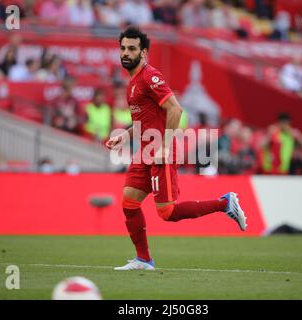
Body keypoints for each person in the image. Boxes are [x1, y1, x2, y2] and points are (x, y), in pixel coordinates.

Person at [105, 27, 247, 271]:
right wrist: (124, 136)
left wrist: (163, 145)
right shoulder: (132, 84)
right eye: (123, 48)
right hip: (145, 151)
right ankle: (143, 260)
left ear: (144, 53)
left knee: (167, 212)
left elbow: (176, 110)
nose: (126, 53)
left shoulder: (150, 77)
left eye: (132, 48)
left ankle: (225, 203)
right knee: (129, 202)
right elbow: (143, 123)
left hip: (160, 151)